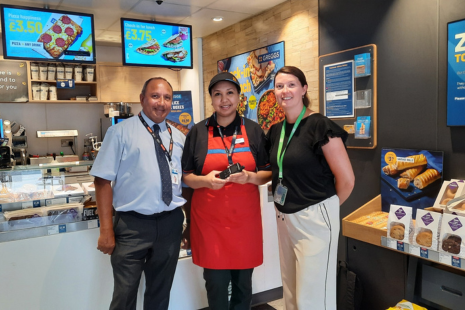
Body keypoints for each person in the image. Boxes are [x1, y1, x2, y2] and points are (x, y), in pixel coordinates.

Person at [91, 77, 191, 310]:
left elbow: (185, 183)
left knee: (160, 293)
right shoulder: (120, 132)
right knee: (124, 296)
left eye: (167, 97)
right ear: (142, 99)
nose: (161, 103)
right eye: (155, 96)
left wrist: (190, 225)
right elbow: (102, 181)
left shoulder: (179, 137)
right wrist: (106, 230)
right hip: (132, 227)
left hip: (170, 223)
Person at [266, 66, 355, 310]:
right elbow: (275, 169)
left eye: (292, 85)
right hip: (284, 217)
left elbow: (346, 180)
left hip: (314, 217)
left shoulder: (320, 125)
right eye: (280, 86)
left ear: (304, 89)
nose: (285, 90)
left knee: (313, 297)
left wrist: (324, 209)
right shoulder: (276, 130)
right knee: (292, 293)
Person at [181, 72, 272, 310]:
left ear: (239, 97)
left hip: (245, 222)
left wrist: (249, 177)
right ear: (211, 99)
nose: (224, 99)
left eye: (230, 93)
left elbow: (268, 173)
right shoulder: (198, 132)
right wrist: (205, 181)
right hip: (210, 225)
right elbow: (187, 177)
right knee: (216, 287)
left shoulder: (253, 131)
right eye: (217, 94)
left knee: (243, 288)